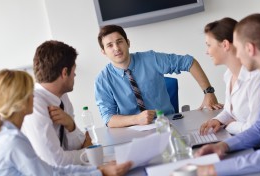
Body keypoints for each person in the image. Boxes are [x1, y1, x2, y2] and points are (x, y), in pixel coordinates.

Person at [0, 69, 132, 176]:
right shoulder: (12, 140)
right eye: (30, 92)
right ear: (20, 101)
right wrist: (100, 172)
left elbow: (51, 170)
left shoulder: (8, 133)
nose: (34, 96)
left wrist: (99, 170)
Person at [95, 24, 223, 128]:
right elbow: (108, 119)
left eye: (119, 42)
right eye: (110, 45)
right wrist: (136, 119)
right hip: (131, 131)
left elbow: (189, 62)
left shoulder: (151, 59)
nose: (116, 48)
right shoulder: (103, 80)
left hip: (168, 124)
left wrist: (208, 92)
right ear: (103, 52)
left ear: (128, 43)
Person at [195, 13, 260, 175]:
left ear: (249, 48)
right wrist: (224, 146)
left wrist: (213, 169)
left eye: (238, 49)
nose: (237, 55)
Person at [21, 40, 91, 166]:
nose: (74, 74)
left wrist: (71, 125)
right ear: (64, 73)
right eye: (73, 70)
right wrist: (88, 153)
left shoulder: (62, 96)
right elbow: (54, 162)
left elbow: (74, 147)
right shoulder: (34, 104)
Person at [199, 18, 260, 135]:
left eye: (209, 45)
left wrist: (230, 126)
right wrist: (218, 120)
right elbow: (230, 111)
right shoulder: (228, 75)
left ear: (225, 45)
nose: (207, 52)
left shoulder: (256, 77)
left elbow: (255, 128)